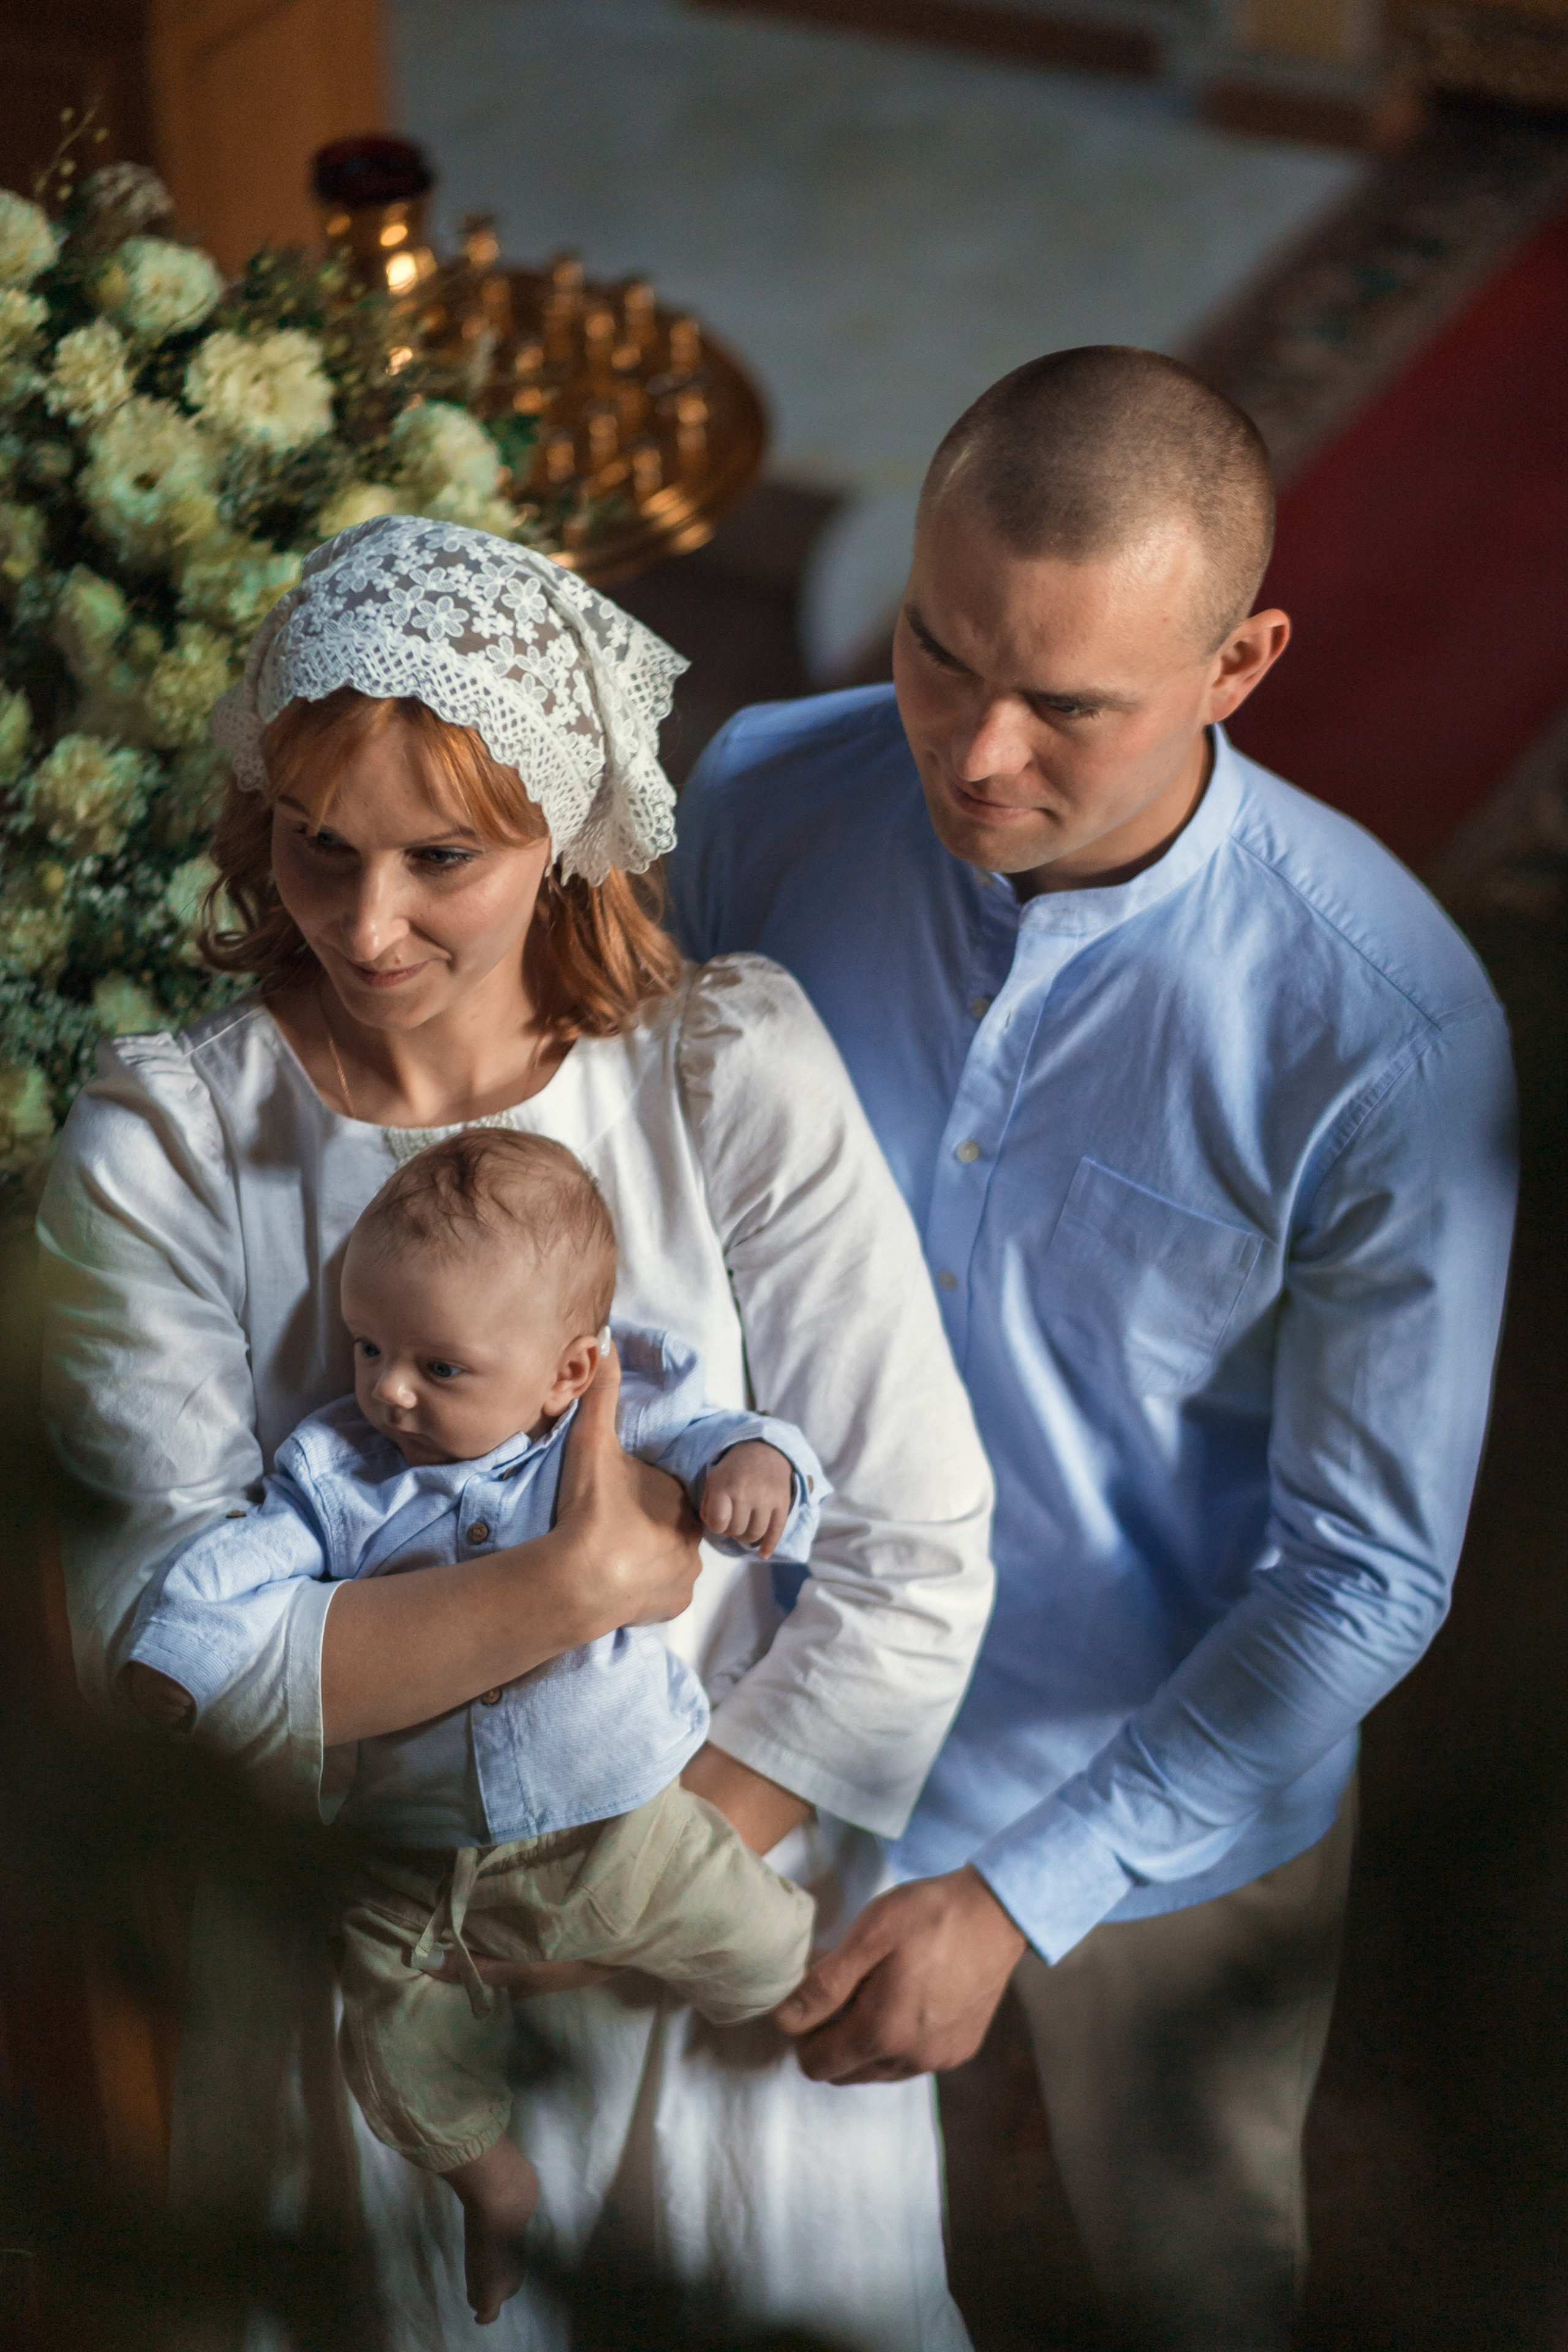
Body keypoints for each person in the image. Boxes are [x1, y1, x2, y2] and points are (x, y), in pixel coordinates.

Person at [39, 514, 995, 2350]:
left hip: (695, 1952)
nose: (369, 922)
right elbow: (152, 1657)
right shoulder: (169, 1146)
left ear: (566, 831)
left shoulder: (727, 1074)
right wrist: (579, 1588)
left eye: (441, 858)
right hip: (363, 1991)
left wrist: (634, 1885)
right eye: (320, 848)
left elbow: (910, 1551)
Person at [669, 346, 1518, 2350]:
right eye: (943, 654)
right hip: (782, 1706)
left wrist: (1022, 1888)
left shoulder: (1384, 1036)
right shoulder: (770, 799)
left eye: (1070, 705)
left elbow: (1368, 1579)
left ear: (1241, 665)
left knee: (1191, 2270)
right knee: (784, 2251)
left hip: (1156, 1793)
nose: (974, 754)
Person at [126, 1124, 826, 2326]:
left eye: (438, 1368)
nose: (387, 1388)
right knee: (390, 2055)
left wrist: (759, 1467)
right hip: (414, 1864)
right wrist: (171, 1663)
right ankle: (491, 2182)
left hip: (618, 1825)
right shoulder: (344, 1473)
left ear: (566, 1373)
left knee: (760, 1948)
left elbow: (731, 1440)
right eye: (367, 1347)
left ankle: (800, 1990)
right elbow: (236, 1573)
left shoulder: (619, 1418)